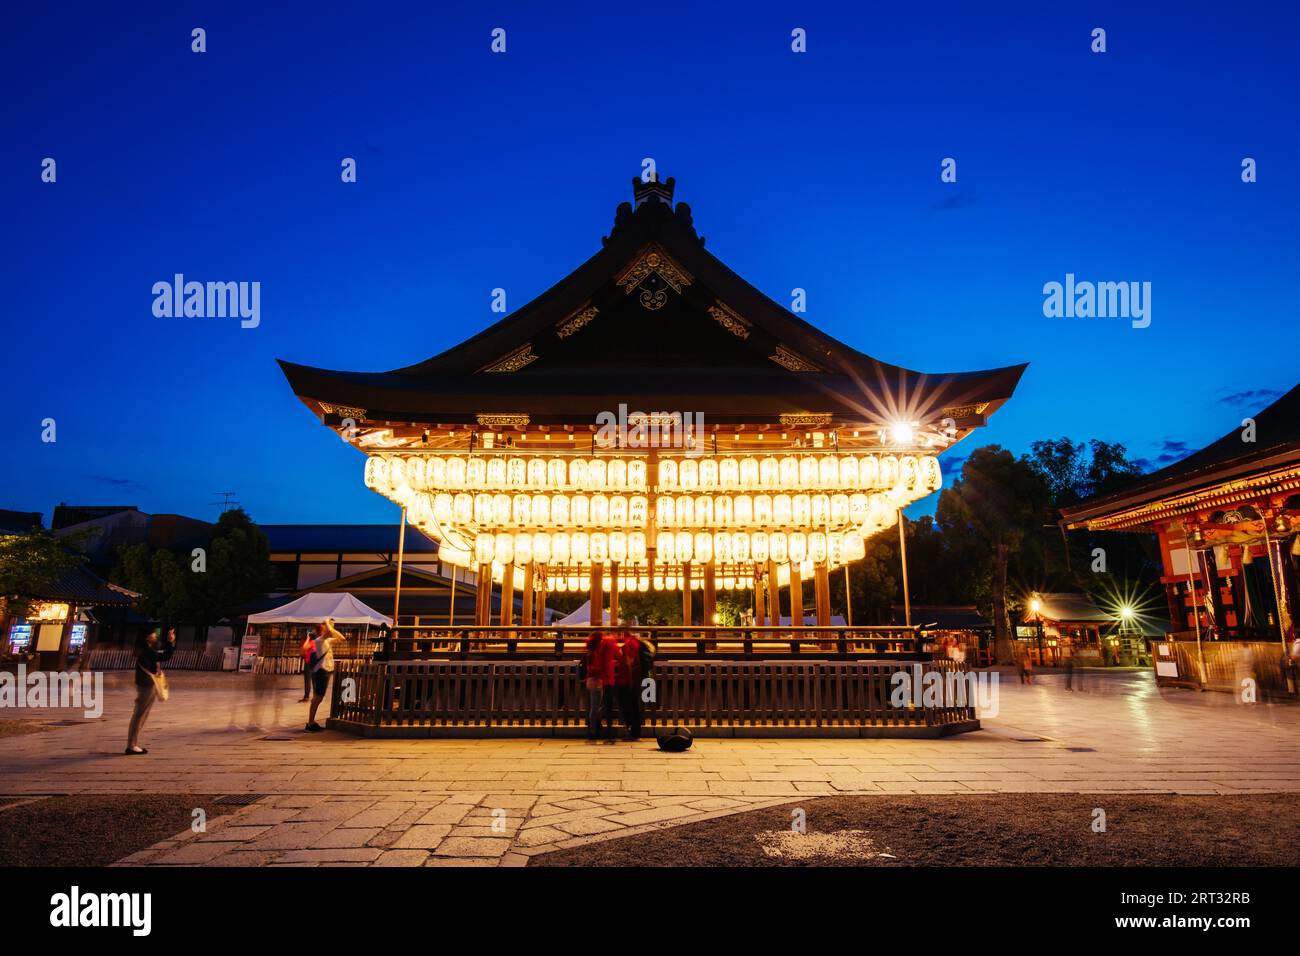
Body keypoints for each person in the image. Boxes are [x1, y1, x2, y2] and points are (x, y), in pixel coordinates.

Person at [126, 628, 175, 755]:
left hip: (145, 684)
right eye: (153, 634)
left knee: (141, 715)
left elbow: (159, 652)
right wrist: (170, 642)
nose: (155, 635)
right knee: (139, 715)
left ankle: (133, 744)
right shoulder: (146, 651)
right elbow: (165, 656)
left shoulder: (146, 650)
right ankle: (131, 745)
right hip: (146, 685)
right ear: (147, 637)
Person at [305, 619, 339, 733]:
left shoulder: (327, 641)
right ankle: (310, 723)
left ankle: (311, 722)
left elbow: (341, 638)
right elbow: (330, 633)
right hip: (321, 670)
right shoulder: (319, 640)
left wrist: (331, 626)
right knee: (318, 697)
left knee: (318, 697)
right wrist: (329, 624)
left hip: (326, 670)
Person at [581, 631, 615, 740]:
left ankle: (594, 728)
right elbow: (595, 668)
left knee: (594, 706)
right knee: (596, 707)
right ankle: (593, 730)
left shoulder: (589, 652)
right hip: (596, 681)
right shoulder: (595, 653)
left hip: (590, 681)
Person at [614, 628, 644, 741]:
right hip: (635, 679)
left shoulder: (628, 645)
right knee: (634, 706)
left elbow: (629, 663)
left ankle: (633, 732)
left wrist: (630, 681)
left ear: (622, 633)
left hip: (627, 680)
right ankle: (635, 731)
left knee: (628, 706)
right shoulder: (636, 642)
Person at [298, 631, 314, 702]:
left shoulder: (311, 642)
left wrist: (308, 639)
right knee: (313, 680)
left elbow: (304, 647)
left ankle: (307, 696)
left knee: (307, 680)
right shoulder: (316, 642)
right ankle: (314, 696)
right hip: (314, 663)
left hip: (309, 663)